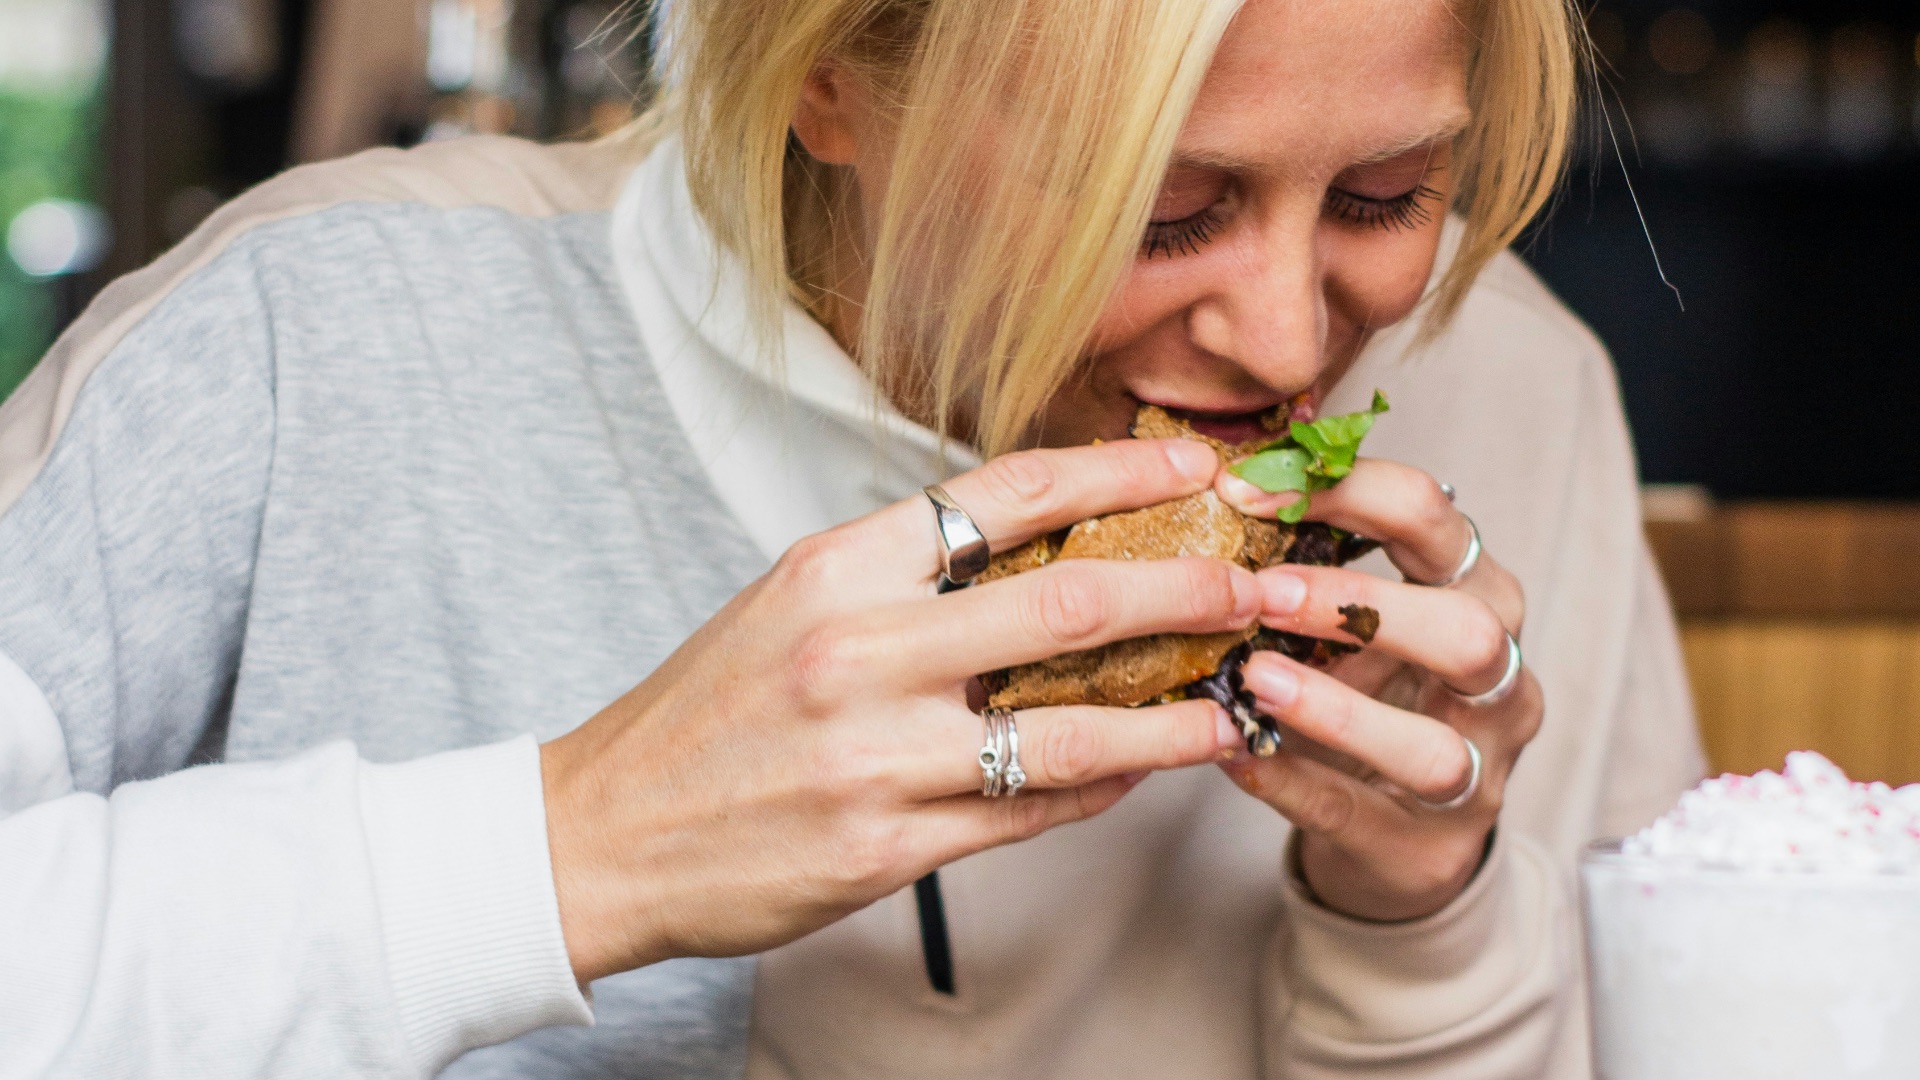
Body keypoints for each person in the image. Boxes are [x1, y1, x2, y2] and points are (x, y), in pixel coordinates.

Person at [0, 0, 1705, 1076]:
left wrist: (1422, 923)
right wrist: (575, 847)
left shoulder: (1518, 392)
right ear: (825, 76)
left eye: (1388, 196)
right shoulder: (309, 335)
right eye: (1162, 209)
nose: (1284, 338)